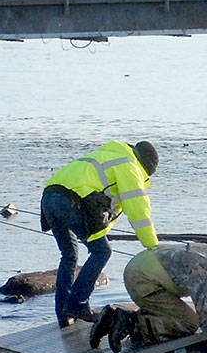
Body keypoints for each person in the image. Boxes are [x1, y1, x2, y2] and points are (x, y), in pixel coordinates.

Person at [39, 140, 159, 328]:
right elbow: (138, 211)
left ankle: (64, 312)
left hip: (49, 197)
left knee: (69, 255)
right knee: (102, 251)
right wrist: (152, 245)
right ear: (146, 167)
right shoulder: (129, 166)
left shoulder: (109, 155)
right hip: (70, 202)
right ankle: (77, 304)